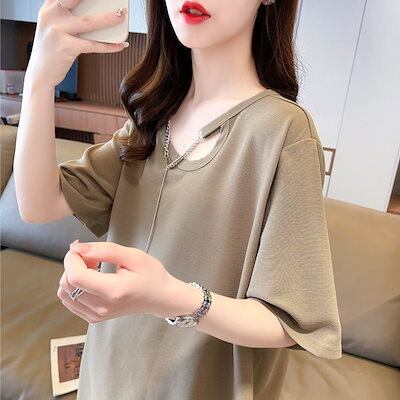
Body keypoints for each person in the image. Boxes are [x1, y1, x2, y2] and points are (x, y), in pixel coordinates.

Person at [14, 0, 342, 399]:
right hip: (108, 378)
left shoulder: (283, 132)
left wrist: (170, 298)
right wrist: (39, 79)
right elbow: (37, 204)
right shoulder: (152, 116)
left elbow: (289, 323)